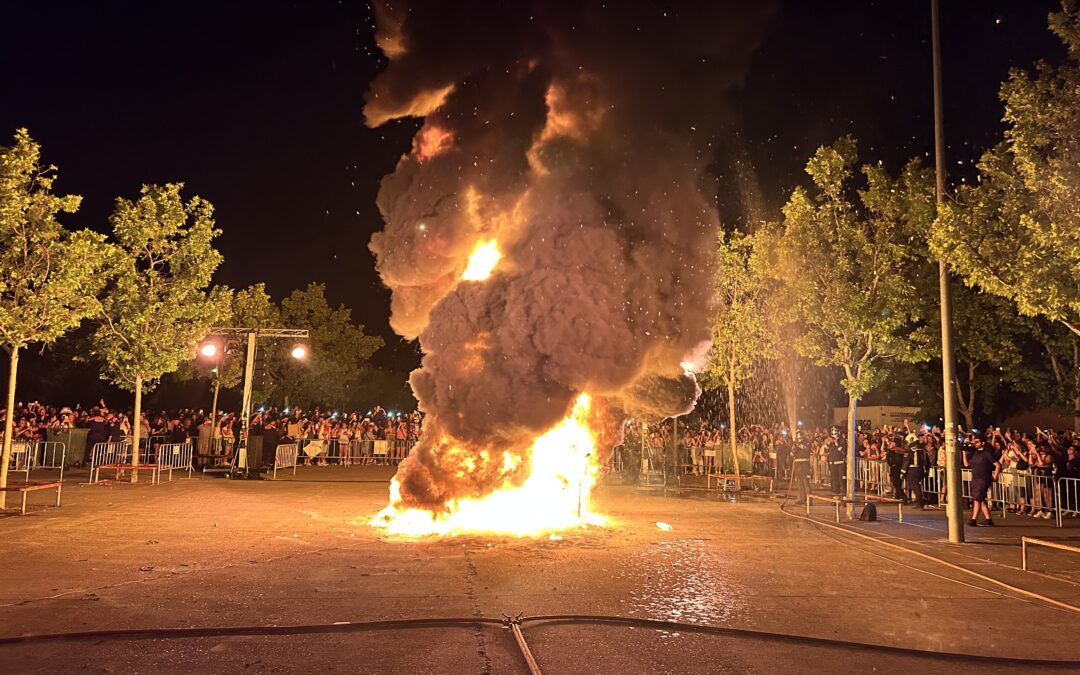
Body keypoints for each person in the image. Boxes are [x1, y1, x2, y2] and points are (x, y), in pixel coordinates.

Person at [964, 437, 1000, 527]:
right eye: (974, 442)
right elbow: (967, 464)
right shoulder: (975, 454)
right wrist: (963, 453)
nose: (975, 443)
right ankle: (988, 520)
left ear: (982, 443)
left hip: (983, 478)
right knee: (981, 500)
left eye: (977, 442)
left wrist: (995, 476)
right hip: (975, 478)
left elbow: (997, 465)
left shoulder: (987, 454)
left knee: (977, 499)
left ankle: (973, 519)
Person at [793, 435, 811, 504]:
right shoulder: (796, 445)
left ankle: (809, 500)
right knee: (800, 482)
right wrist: (793, 449)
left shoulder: (807, 444)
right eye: (798, 438)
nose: (799, 439)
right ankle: (802, 499)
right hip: (798, 465)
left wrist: (802, 446)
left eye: (800, 438)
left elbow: (807, 450)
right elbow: (793, 453)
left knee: (806, 482)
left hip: (804, 465)